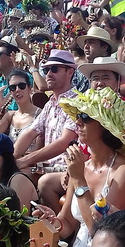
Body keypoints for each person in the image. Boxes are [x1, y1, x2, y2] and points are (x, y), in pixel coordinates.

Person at [33, 86, 125, 247]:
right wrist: (50, 220)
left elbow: (100, 231)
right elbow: (66, 226)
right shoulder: (81, 166)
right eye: (76, 116)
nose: (77, 122)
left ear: (104, 125)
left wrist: (78, 179)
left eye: (84, 116)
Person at [14, 50, 79, 180]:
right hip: (48, 167)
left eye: (54, 69)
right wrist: (10, 158)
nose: (48, 74)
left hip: (67, 169)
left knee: (20, 177)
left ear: (70, 72)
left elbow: (64, 142)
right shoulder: (51, 103)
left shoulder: (77, 102)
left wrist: (24, 160)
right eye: (46, 70)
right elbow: (31, 132)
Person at [0, 69, 42, 153]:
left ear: (29, 88)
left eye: (22, 86)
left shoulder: (40, 114)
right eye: (13, 87)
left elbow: (38, 151)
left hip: (29, 163)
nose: (17, 90)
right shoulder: (10, 115)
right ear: (10, 92)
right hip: (10, 162)